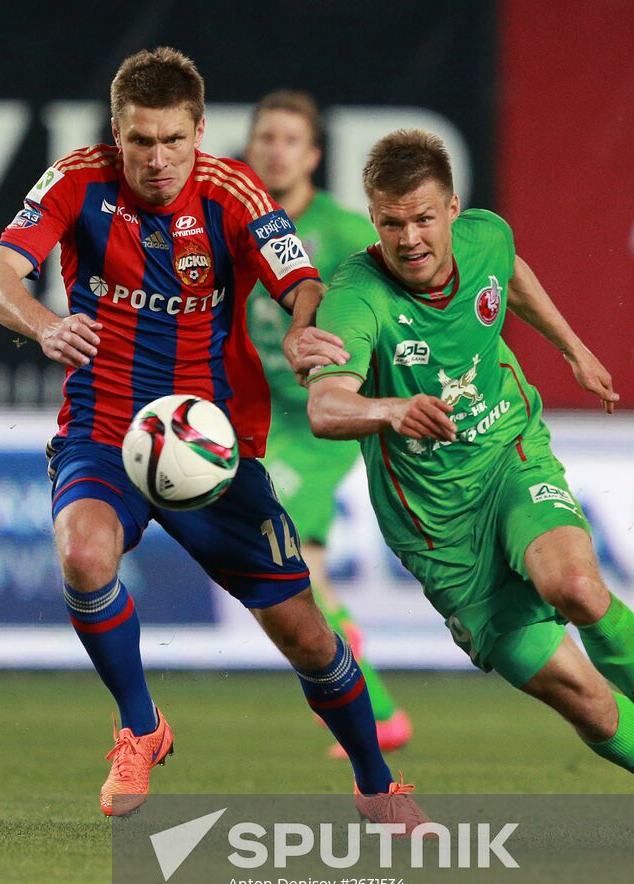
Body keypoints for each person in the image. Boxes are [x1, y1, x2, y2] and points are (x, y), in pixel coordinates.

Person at [0, 47, 415, 822]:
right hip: (105, 431)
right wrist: (44, 325)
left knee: (309, 638)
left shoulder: (232, 190)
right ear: (116, 134)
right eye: (141, 141)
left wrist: (303, 328)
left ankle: (378, 788)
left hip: (212, 448)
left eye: (174, 140)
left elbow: (301, 280)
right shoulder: (76, 179)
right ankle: (139, 727)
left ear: (200, 131)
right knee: (83, 555)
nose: (158, 160)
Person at [306, 128, 634, 846]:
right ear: (373, 219)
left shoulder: (486, 237)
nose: (409, 239)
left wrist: (572, 347)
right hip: (439, 535)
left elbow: (509, 275)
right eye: (391, 223)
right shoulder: (357, 297)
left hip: (509, 459)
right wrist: (389, 410)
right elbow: (327, 406)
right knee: (588, 704)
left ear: (453, 209)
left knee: (574, 586)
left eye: (423, 218)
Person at [244, 90, 412, 756]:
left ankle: (354, 678)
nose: (276, 150)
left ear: (312, 156)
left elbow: (398, 297)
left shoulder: (340, 232)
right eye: (266, 137)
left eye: (290, 139)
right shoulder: (234, 221)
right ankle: (369, 696)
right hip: (258, 418)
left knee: (288, 553)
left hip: (321, 418)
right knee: (283, 563)